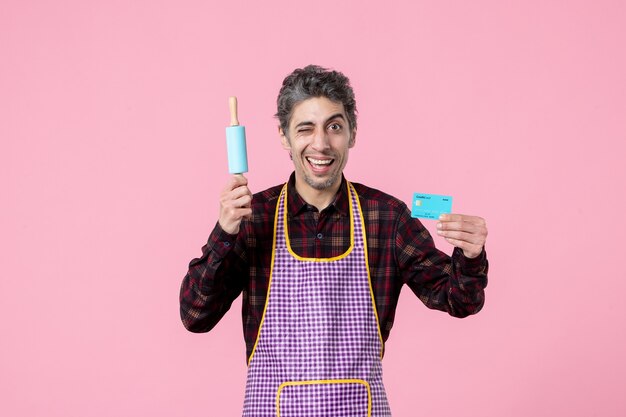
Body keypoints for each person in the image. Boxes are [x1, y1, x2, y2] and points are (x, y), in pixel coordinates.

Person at [179, 65, 489, 416]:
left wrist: (471, 254)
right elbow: (195, 315)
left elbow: (460, 300)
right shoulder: (253, 217)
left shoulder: (387, 218)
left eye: (335, 127)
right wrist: (225, 231)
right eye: (305, 129)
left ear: (352, 133)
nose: (321, 143)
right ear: (284, 136)